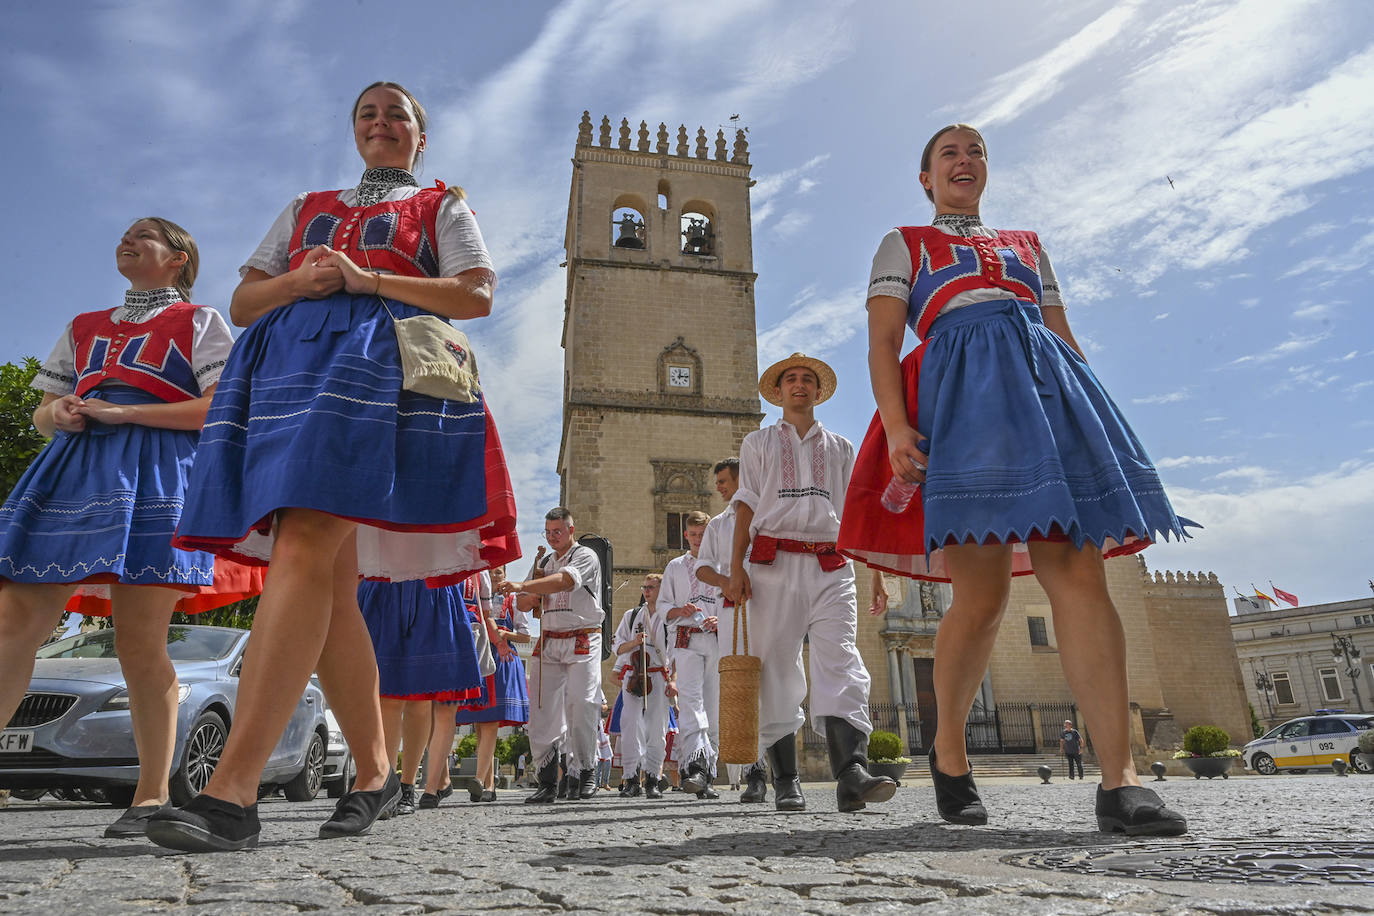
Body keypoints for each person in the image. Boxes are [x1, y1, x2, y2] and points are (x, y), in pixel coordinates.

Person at [147, 82, 520, 853]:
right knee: (329, 581)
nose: (381, 122)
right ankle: (378, 771)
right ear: (355, 132)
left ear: (422, 135)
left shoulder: (442, 206)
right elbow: (247, 300)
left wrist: (366, 279)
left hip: (377, 371)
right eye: (367, 113)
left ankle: (233, 791)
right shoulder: (305, 204)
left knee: (304, 544)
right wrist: (304, 282)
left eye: (396, 113)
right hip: (288, 371)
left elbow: (475, 293)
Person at [838, 123, 1189, 836]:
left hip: (1046, 400)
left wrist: (1095, 418)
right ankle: (950, 751)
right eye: (948, 153)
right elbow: (881, 341)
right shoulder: (903, 243)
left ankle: (1120, 781)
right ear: (925, 178)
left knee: (1079, 572)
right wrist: (899, 426)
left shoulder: (1029, 246)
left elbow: (1062, 335)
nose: (964, 161)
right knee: (985, 596)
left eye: (976, 152)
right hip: (962, 407)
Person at [0, 217, 249, 839]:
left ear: (179, 257)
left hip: (159, 472)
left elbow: (221, 406)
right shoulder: (83, 326)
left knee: (140, 639)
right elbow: (42, 411)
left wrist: (123, 410)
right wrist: (55, 410)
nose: (128, 240)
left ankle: (151, 792)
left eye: (147, 235)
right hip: (71, 469)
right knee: (13, 620)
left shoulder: (201, 320)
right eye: (125, 234)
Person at [723, 354, 897, 814]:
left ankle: (851, 773)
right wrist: (735, 567)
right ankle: (786, 779)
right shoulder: (757, 443)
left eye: (808, 380)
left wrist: (875, 572)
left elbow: (857, 511)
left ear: (819, 392)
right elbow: (745, 507)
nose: (799, 385)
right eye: (791, 379)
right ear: (777, 392)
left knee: (840, 656)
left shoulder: (840, 447)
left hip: (832, 564)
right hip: (772, 564)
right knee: (777, 665)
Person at [497, 507, 604, 804]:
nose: (552, 537)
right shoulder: (544, 562)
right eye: (548, 532)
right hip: (549, 640)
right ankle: (546, 779)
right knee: (542, 710)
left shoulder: (585, 556)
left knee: (581, 703)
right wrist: (528, 594)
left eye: (558, 531)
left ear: (571, 530)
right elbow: (521, 603)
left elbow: (565, 582)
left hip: (583, 637)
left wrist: (524, 585)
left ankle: (584, 771)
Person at [355, 578, 482, 816]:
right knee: (387, 696)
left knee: (420, 698)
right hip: (385, 581)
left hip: (431, 582)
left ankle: (406, 785)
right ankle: (385, 783)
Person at [696, 457, 768, 804]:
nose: (719, 488)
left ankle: (777, 767)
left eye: (723, 481)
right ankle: (755, 771)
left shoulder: (768, 512)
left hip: (769, 606)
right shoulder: (718, 526)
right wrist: (727, 581)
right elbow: (702, 568)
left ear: (742, 478)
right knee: (739, 687)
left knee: (772, 684)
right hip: (733, 611)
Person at [451, 567, 530, 803]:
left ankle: (478, 779)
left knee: (490, 723)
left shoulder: (512, 600)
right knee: (479, 724)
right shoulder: (478, 595)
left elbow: (526, 636)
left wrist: (503, 634)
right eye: (492, 572)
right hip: (480, 655)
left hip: (503, 661)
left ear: (505, 574)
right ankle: (489, 785)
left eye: (499, 572)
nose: (495, 576)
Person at [659, 510, 721, 800]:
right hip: (686, 640)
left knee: (713, 705)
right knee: (691, 701)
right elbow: (663, 606)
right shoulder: (674, 566)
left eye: (702, 534)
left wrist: (721, 619)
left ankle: (707, 774)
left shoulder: (721, 563)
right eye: (693, 534)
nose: (697, 539)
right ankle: (694, 767)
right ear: (686, 535)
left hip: (716, 642)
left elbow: (731, 600)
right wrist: (678, 611)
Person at [612, 574, 670, 799]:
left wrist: (673, 679)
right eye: (644, 587)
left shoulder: (668, 617)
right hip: (634, 676)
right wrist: (634, 643)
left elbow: (673, 651)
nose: (647, 591)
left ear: (662, 590)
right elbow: (617, 647)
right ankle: (631, 779)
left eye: (651, 587)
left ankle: (653, 778)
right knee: (630, 727)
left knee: (657, 729)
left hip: (658, 675)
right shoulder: (632, 615)